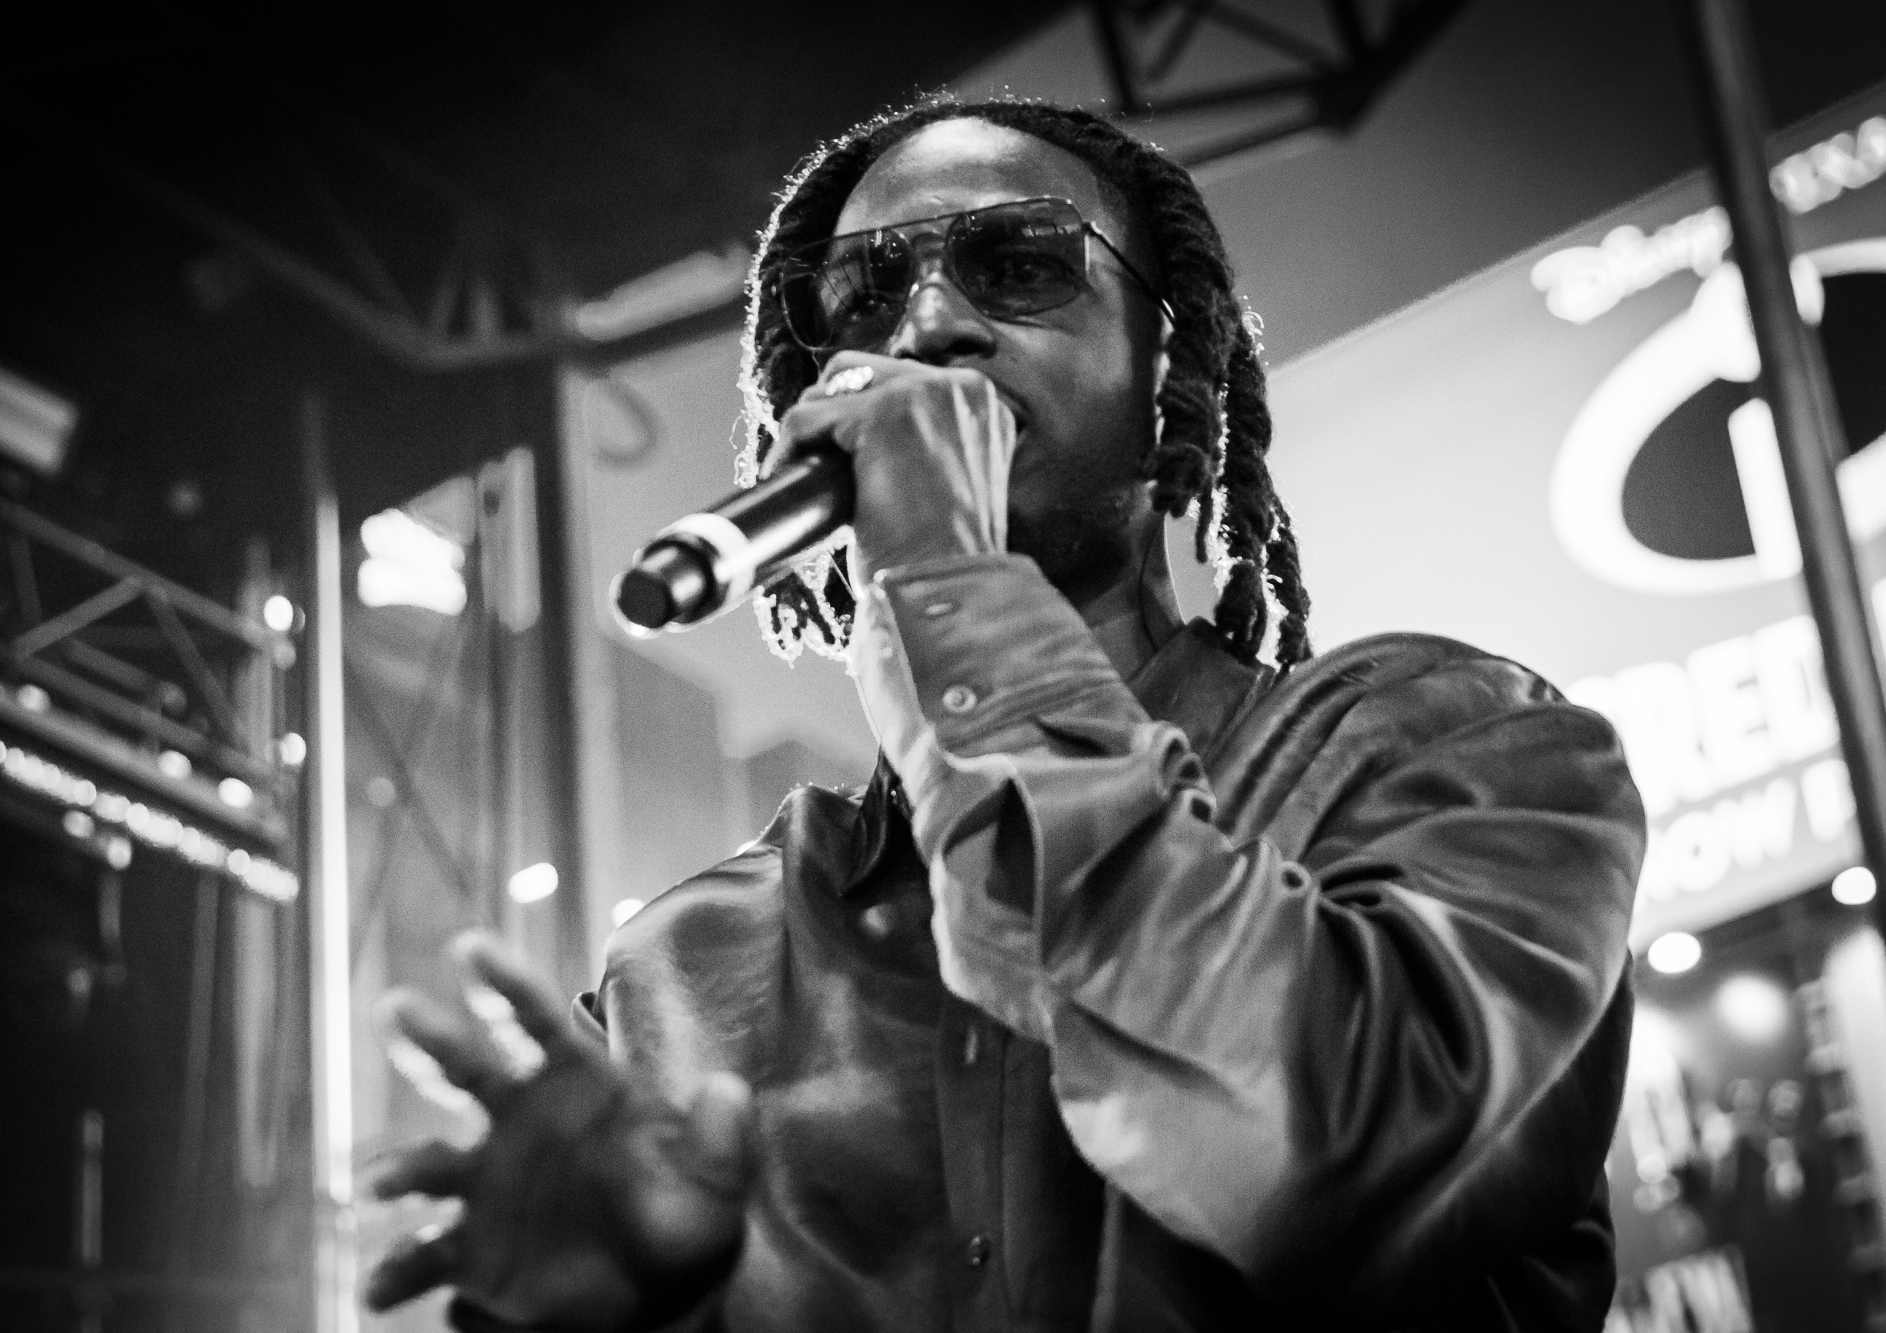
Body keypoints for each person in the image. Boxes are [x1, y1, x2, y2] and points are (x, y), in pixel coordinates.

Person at [364, 98, 1643, 1332]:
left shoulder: (1458, 749)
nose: (924, 327)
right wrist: (630, 1306)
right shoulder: (680, 971)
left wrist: (951, 589)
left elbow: (1330, 1159)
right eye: (863, 297)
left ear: (1170, 369)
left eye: (1020, 265)